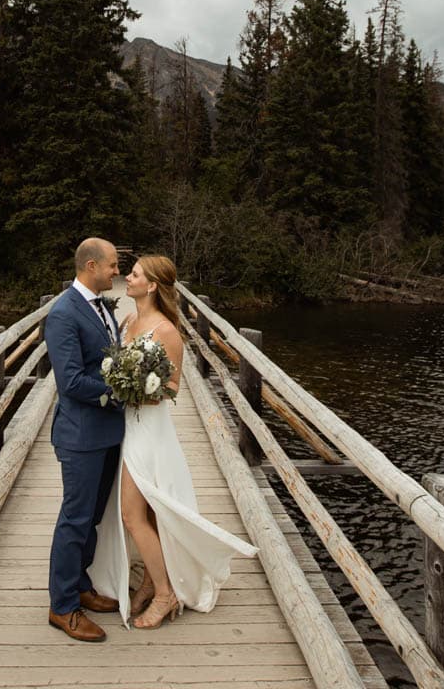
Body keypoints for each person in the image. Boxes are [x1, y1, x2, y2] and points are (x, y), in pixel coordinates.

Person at [88, 255, 258, 629]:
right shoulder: (130, 320)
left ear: (151, 286)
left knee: (132, 515)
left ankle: (165, 594)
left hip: (151, 430)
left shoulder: (166, 331)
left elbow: (172, 387)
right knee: (146, 512)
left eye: (133, 275)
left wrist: (134, 389)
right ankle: (150, 581)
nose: (126, 278)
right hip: (128, 426)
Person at [45, 237, 126, 643]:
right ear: (91, 265)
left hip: (108, 431)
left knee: (92, 517)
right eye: (112, 265)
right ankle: (62, 607)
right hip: (81, 435)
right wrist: (121, 393)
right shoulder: (63, 314)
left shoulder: (100, 306)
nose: (118, 272)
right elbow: (71, 381)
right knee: (75, 519)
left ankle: (80, 585)